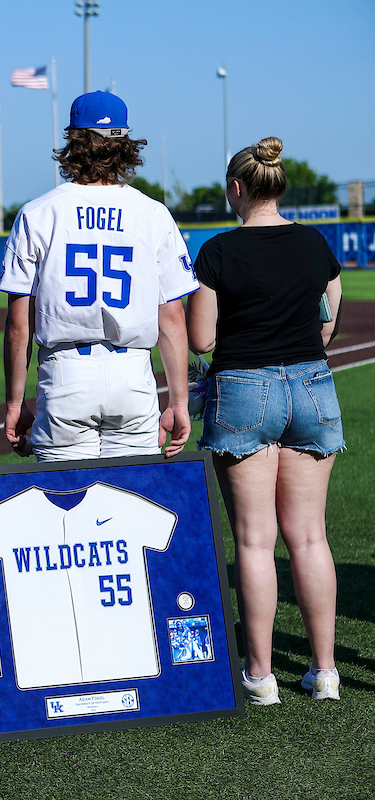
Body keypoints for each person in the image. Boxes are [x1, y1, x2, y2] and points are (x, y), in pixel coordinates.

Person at [187, 136, 344, 705]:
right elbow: (329, 319)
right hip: (311, 385)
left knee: (255, 542)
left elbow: (202, 338)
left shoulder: (218, 251)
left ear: (237, 188)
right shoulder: (314, 243)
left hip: (243, 389)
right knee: (310, 537)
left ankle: (261, 674)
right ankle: (324, 671)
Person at [1, 92, 199, 462]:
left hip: (65, 376)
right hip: (133, 376)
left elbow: (18, 325)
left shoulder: (37, 213)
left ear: (73, 144)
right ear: (125, 145)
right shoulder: (153, 214)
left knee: (66, 505)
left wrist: (15, 402)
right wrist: (178, 401)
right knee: (133, 504)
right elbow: (172, 316)